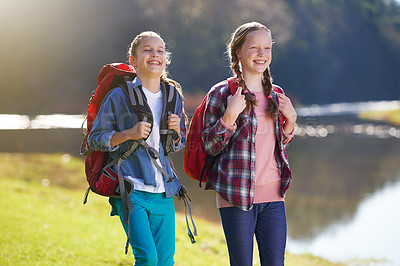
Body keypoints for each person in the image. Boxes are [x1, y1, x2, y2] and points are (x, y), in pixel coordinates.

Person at [202, 22, 297, 265]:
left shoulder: (276, 93)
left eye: (267, 48)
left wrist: (291, 121)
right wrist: (229, 117)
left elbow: (277, 145)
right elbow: (209, 146)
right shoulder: (222, 93)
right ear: (238, 53)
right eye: (254, 47)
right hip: (236, 195)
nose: (262, 54)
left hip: (274, 196)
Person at [88, 31, 186, 266]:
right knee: (148, 259)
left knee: (165, 261)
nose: (155, 55)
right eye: (147, 50)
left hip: (164, 190)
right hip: (130, 189)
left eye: (160, 51)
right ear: (133, 60)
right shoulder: (118, 96)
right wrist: (128, 134)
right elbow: (95, 139)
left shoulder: (174, 96)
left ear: (166, 58)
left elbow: (176, 145)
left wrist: (177, 132)